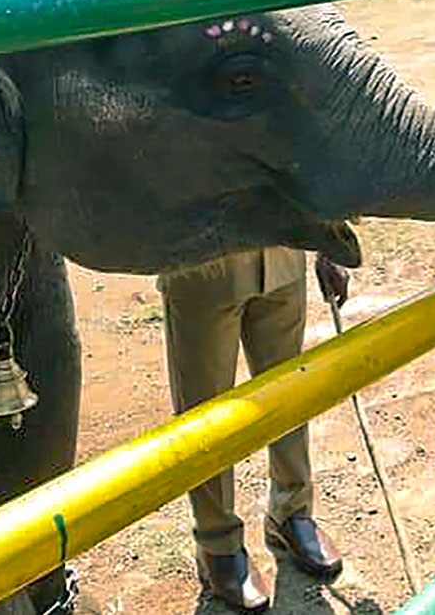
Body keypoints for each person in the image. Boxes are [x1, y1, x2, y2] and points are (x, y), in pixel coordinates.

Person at [159, 248, 351, 613]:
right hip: (204, 265)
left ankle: (291, 512)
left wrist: (330, 242)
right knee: (206, 415)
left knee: (290, 397)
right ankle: (218, 544)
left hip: (282, 252)